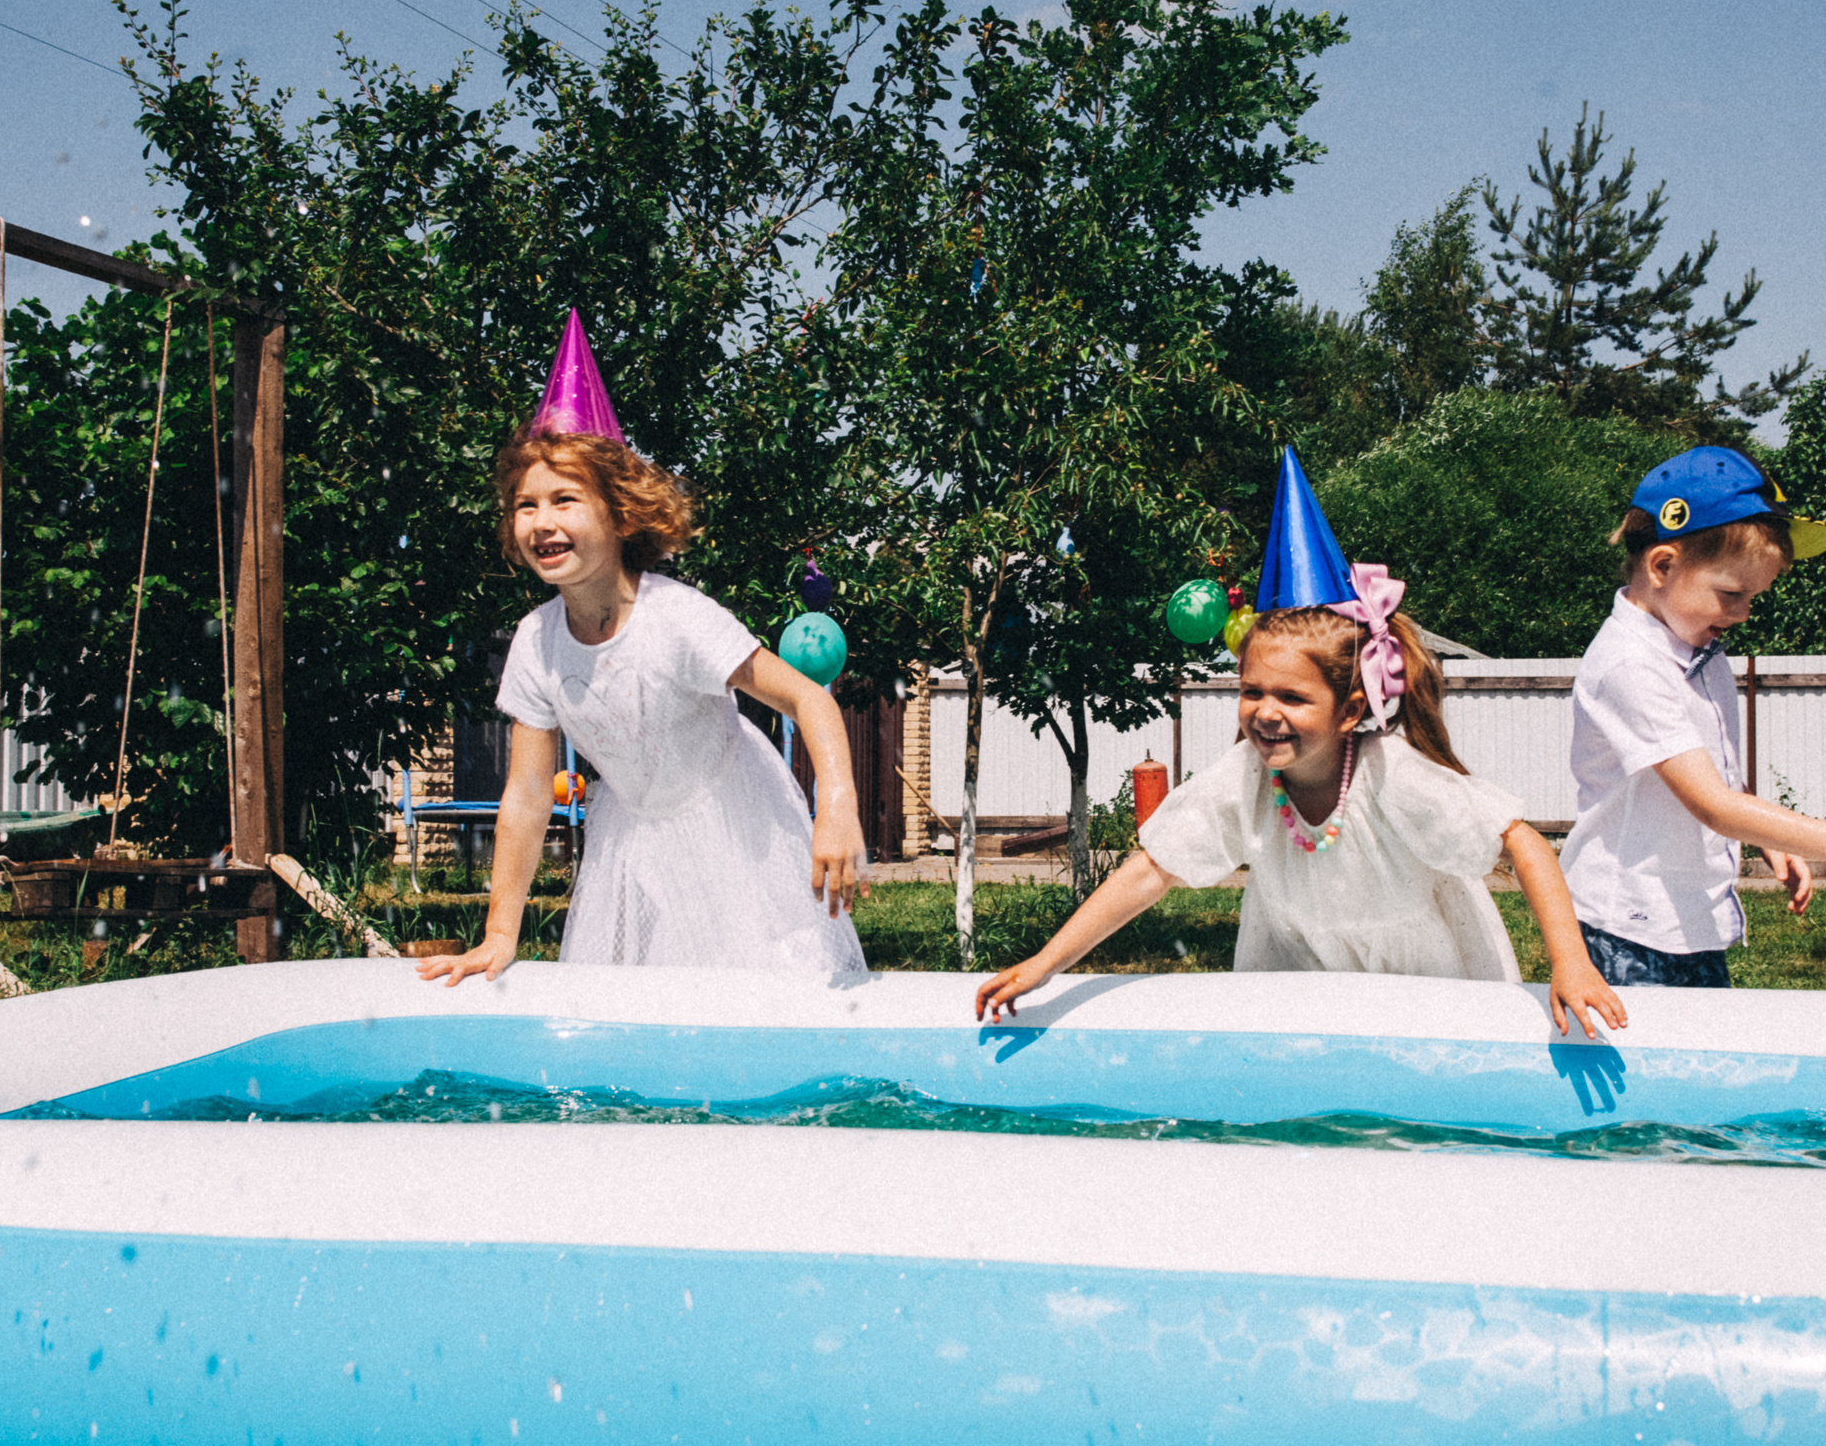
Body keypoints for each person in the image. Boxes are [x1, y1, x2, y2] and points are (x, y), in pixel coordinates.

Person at [977, 449, 1627, 1039]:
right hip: (1304, 985)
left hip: (1429, 994)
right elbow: (1154, 866)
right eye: (1252, 690)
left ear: (1350, 711)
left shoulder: (1388, 776)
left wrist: (1570, 962)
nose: (1265, 713)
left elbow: (1521, 839)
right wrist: (1045, 962)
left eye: (1291, 698)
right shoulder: (1246, 779)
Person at [420, 311, 866, 986]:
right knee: (644, 1003)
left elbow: (806, 697)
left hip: (737, 824)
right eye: (525, 504)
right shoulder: (537, 646)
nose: (542, 521)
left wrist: (835, 805)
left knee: (766, 986)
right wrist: (500, 932)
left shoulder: (677, 620)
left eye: (565, 499)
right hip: (632, 838)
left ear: (620, 512)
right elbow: (526, 794)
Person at [1564, 446, 1826, 989]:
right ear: (1663, 566)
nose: (1744, 613)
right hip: (1629, 928)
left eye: (1754, 597)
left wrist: (1770, 836)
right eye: (1732, 593)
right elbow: (1711, 804)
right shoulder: (1629, 665)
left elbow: (1713, 772)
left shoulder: (1698, 651)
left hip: (1688, 917)